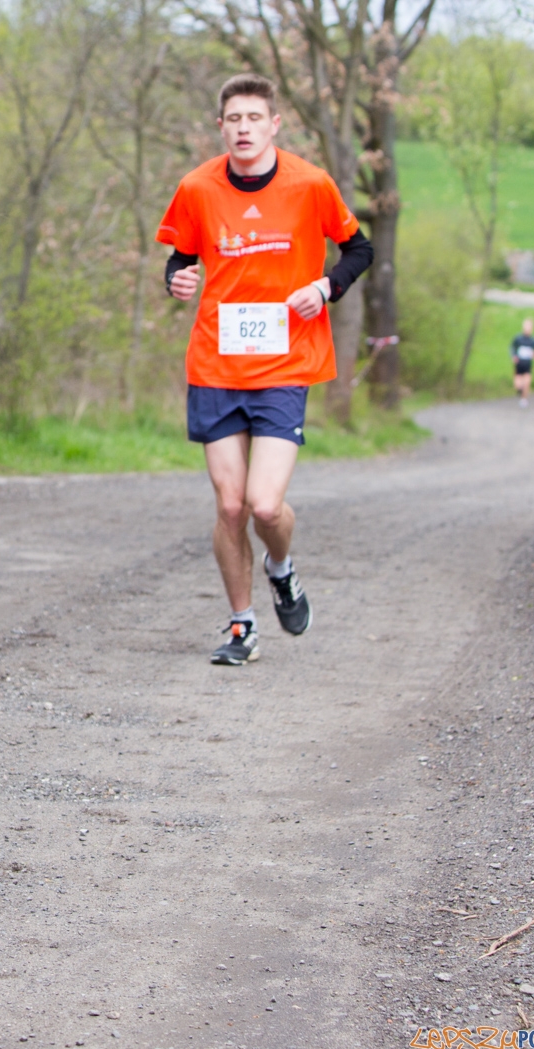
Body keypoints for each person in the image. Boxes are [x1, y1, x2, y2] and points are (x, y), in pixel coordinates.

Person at [159, 73, 373, 666]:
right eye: (234, 119)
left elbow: (361, 249)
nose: (244, 128)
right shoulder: (197, 187)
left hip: (286, 362)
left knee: (264, 507)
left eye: (255, 118)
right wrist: (177, 278)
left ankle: (281, 566)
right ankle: (241, 625)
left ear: (274, 124)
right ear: (221, 126)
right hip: (216, 364)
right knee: (229, 506)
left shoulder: (310, 184)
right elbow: (181, 256)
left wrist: (327, 286)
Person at [511, 319, 534, 407]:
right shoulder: (518, 338)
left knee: (527, 383)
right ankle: (520, 391)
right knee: (518, 385)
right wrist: (514, 356)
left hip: (528, 364)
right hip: (519, 364)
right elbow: (512, 348)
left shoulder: (533, 340)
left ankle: (524, 399)